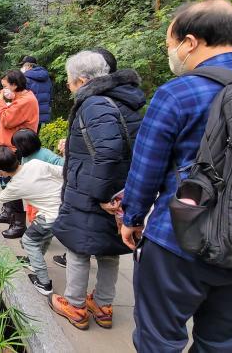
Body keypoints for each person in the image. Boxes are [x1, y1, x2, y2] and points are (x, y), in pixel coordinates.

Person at [120, 0, 232, 352]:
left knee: (159, 340)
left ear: (189, 42)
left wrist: (130, 217)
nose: (171, 52)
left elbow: (146, 168)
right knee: (222, 346)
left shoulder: (179, 92)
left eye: (170, 44)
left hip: (180, 241)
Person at [49, 50, 145, 330]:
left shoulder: (93, 103)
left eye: (69, 80)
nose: (67, 85)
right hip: (121, 188)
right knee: (108, 250)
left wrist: (104, 196)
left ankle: (75, 306)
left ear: (81, 79)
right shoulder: (124, 98)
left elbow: (108, 151)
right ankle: (103, 305)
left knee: (79, 248)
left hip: (94, 190)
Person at [0, 145, 63, 295]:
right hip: (64, 210)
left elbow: (0, 197)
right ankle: (33, 262)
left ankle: (44, 283)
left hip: (49, 216)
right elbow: (61, 172)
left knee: (28, 241)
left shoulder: (15, 185)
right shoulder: (35, 163)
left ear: (2, 173)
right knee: (43, 238)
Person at [0, 70, 40, 238]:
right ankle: (8, 212)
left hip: (15, 148)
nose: (2, 91)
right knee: (5, 182)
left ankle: (18, 224)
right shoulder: (18, 98)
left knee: (14, 185)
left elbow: (6, 119)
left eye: (5, 87)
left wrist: (0, 101)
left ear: (15, 85)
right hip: (7, 145)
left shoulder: (26, 101)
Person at [20, 56, 53, 130]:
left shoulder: (25, 78)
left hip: (28, 113)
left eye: (23, 65)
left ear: (29, 65)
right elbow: (51, 95)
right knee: (34, 136)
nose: (22, 67)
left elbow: (21, 96)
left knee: (25, 136)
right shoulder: (47, 78)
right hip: (42, 112)